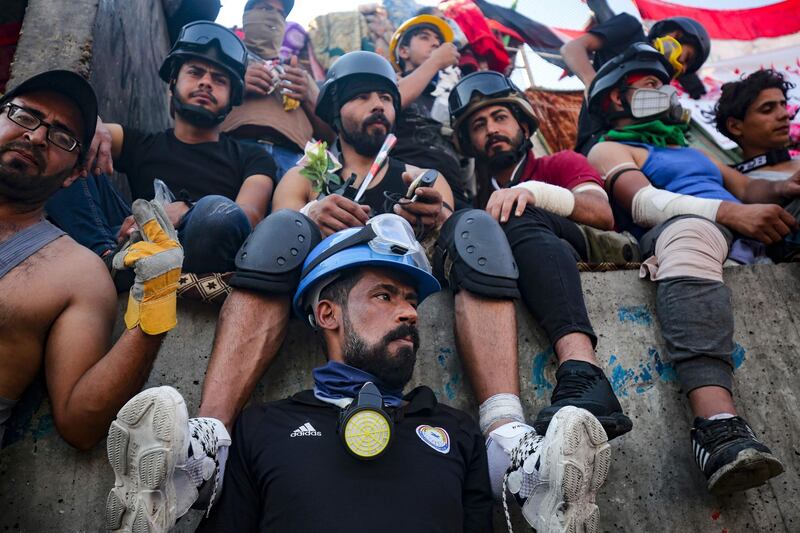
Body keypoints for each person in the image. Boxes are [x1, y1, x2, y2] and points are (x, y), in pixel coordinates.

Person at [102, 51, 612, 533]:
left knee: (476, 226)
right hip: (327, 287)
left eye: (387, 98)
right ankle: (209, 441)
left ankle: (508, 442)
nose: (378, 106)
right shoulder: (306, 173)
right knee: (282, 228)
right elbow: (271, 227)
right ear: (334, 110)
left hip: (400, 275)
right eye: (363, 97)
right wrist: (309, 213)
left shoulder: (420, 175)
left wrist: (438, 218)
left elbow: (455, 233)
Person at [106, 215, 610, 533]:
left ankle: (525, 464)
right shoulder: (263, 427)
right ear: (327, 315)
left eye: (412, 300)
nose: (410, 312)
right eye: (385, 296)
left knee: (476, 226)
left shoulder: (457, 432)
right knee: (283, 228)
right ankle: (196, 457)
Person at [585, 44, 789, 494]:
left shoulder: (693, 153)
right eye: (652, 86)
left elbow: (752, 189)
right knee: (691, 232)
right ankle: (717, 428)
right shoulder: (610, 149)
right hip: (691, 234)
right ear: (615, 99)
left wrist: (789, 185)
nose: (666, 93)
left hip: (750, 233)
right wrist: (728, 214)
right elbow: (643, 203)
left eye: (666, 85)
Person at [0, 70, 183, 449]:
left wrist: (157, 300)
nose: (34, 136)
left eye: (61, 137)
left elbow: (80, 423)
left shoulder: (75, 273)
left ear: (76, 173)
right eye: (24, 116)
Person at [45, 21, 276, 276]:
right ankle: (106, 259)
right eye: (195, 72)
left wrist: (188, 210)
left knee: (219, 214)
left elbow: (249, 215)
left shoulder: (254, 157)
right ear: (173, 81)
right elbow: (71, 130)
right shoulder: (140, 144)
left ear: (233, 97)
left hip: (199, 248)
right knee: (62, 146)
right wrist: (90, 124)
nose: (206, 83)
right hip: (128, 243)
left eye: (219, 79)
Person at [561, 14, 711, 155]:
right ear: (676, 35)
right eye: (687, 58)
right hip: (597, 141)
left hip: (639, 149)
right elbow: (571, 49)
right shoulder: (631, 28)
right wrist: (593, 84)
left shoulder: (662, 82)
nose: (683, 68)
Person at [220, 0, 335, 180]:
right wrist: (235, 85)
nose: (273, 16)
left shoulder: (299, 74)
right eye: (265, 8)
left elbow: (330, 136)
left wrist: (309, 96)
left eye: (280, 14)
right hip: (234, 149)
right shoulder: (226, 61)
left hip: (294, 163)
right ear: (247, 16)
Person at [388, 14, 473, 208]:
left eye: (438, 41)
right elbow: (390, 103)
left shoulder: (448, 99)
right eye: (425, 37)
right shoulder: (390, 82)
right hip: (404, 188)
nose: (435, 43)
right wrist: (435, 61)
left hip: (454, 194)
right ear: (403, 51)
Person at [714, 69, 799, 180]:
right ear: (735, 127)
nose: (784, 114)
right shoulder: (741, 190)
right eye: (767, 109)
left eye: (783, 106)